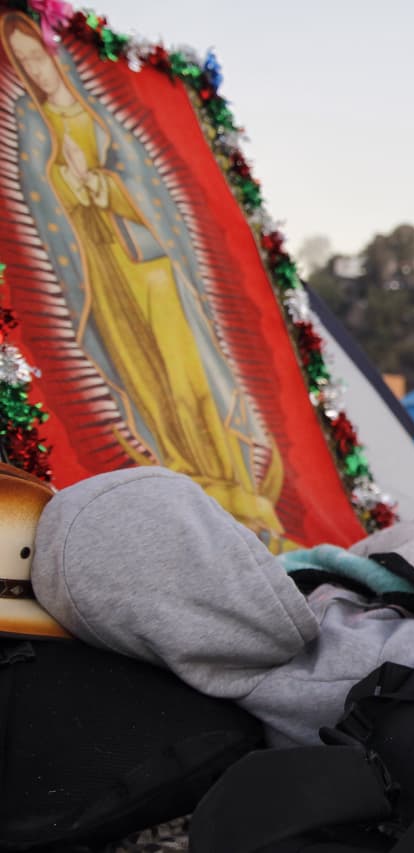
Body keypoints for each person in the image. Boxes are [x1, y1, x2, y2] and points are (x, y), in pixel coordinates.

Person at [0, 12, 286, 541]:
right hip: (99, 272)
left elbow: (146, 189)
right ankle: (185, 477)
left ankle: (231, 482)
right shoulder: (29, 125)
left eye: (38, 56)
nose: (35, 70)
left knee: (184, 369)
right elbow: (37, 203)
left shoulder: (101, 121)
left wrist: (104, 185)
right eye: (23, 62)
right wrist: (67, 185)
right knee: (145, 378)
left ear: (52, 57)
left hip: (149, 264)